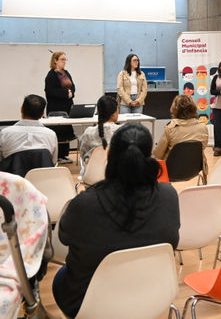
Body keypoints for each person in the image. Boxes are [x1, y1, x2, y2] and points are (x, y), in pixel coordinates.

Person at [52, 123, 179, 319]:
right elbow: (174, 241)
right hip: (154, 293)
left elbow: (64, 237)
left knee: (61, 276)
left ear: (109, 155)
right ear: (150, 157)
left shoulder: (86, 203)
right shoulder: (169, 195)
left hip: (90, 304)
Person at [0, 94, 57, 169]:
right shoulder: (51, 134)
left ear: (21, 109)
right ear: (42, 114)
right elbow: (53, 163)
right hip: (42, 179)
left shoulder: (5, 133)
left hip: (13, 179)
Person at [153, 94, 209, 180]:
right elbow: (202, 147)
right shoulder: (203, 127)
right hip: (195, 169)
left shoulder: (171, 128)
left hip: (171, 171)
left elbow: (157, 154)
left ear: (174, 109)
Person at [44, 51, 75, 164]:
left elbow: (72, 86)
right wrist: (65, 94)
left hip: (67, 106)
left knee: (66, 131)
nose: (64, 62)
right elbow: (50, 91)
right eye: (62, 59)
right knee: (57, 132)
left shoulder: (66, 73)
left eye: (65, 59)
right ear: (55, 60)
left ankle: (64, 155)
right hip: (56, 107)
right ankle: (57, 156)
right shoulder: (51, 75)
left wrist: (71, 93)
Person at [77, 95, 120, 165]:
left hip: (92, 173)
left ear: (98, 112)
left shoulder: (88, 132)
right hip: (115, 173)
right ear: (113, 113)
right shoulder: (121, 132)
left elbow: (83, 154)